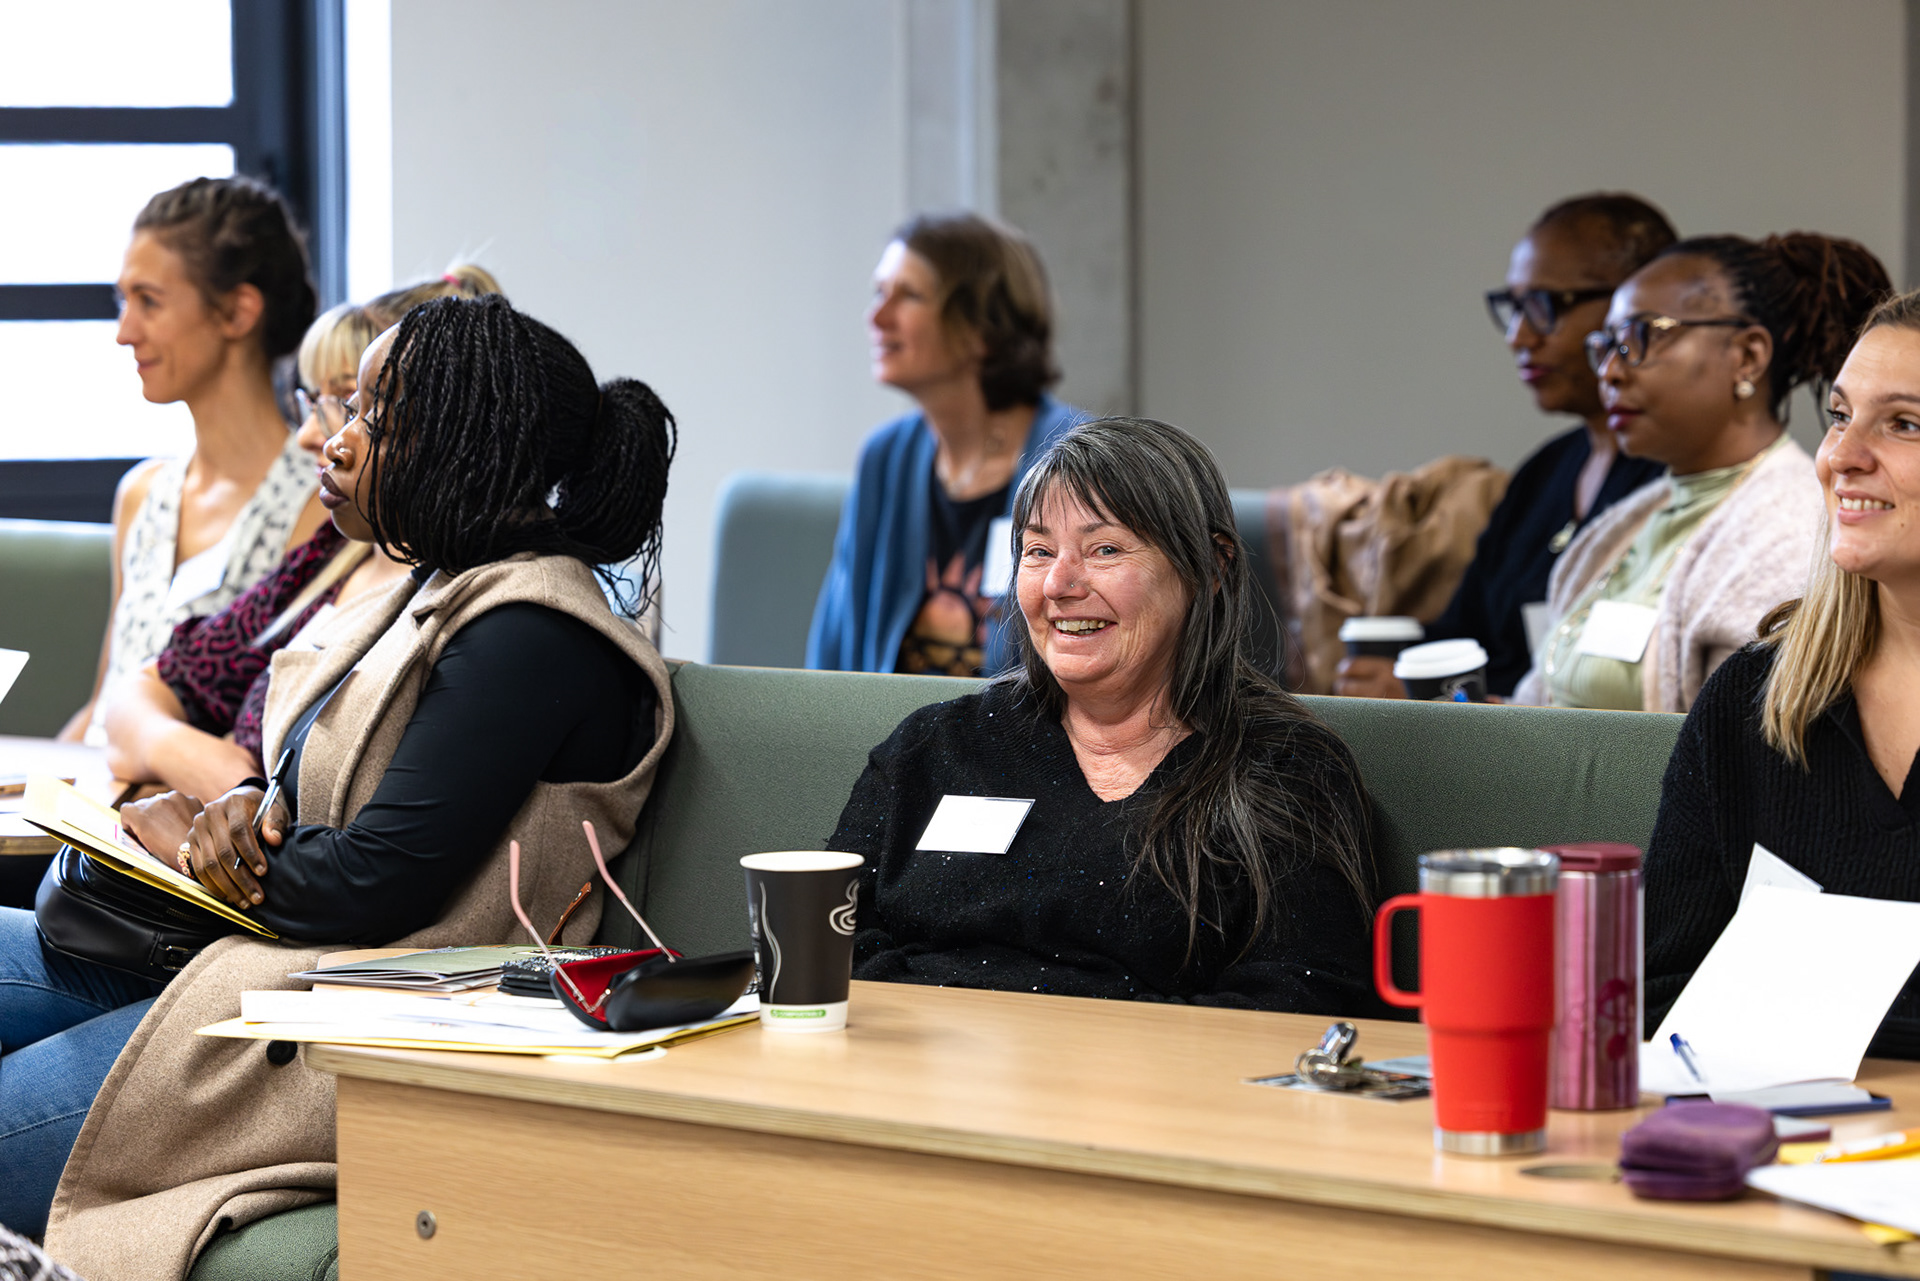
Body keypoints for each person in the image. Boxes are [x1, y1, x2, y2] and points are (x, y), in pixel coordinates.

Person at [1, 294, 676, 1264]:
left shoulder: (532, 630)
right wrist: (241, 809)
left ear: (468, 447)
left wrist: (198, 843)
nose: (338, 440)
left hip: (359, 1026)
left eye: (377, 421)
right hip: (263, 969)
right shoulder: (442, 588)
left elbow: (377, 880)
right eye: (348, 410)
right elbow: (322, 794)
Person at [830, 417, 1378, 1010]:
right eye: (1038, 551)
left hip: (1153, 1069)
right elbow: (822, 933)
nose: (1059, 583)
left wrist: (1064, 1050)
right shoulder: (936, 746)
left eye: (1105, 549)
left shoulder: (1282, 767)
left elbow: (1305, 997)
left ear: (1212, 568)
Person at [100, 266, 504, 801]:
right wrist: (221, 773)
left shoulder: (459, 605)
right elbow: (138, 695)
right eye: (315, 402)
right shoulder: (331, 559)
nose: (314, 436)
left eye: (351, 405)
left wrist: (240, 799)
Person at [1644, 289, 1920, 1058]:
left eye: (1904, 424)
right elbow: (1659, 994)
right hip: (1766, 1122)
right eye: (1839, 415)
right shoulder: (1753, 697)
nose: (1840, 456)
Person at [1510, 232, 1891, 712]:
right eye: (1607, 345)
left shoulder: (1789, 530)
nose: (1608, 372)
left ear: (1747, 357)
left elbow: (1736, 750)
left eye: (1641, 336)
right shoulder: (1637, 517)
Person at [1335, 193, 1674, 700]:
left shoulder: (1676, 478)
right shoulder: (1546, 471)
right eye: (1514, 308)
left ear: (1634, 304)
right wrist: (1395, 676)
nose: (1519, 336)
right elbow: (1464, 633)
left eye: (1543, 307)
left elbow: (1635, 690)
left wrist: (1475, 707)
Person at [65, 176, 332, 742]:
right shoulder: (142, 494)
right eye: (122, 301)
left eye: (149, 301)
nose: (124, 332)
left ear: (237, 312)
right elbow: (102, 707)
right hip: (96, 783)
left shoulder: (319, 508)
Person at [808, 213, 1085, 679]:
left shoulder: (1075, 459)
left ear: (983, 327)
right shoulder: (884, 458)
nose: (876, 317)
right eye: (879, 292)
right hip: (886, 726)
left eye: (908, 296)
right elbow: (834, 655)